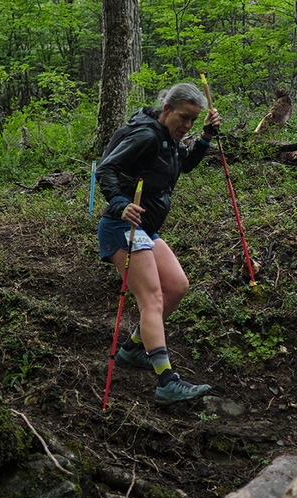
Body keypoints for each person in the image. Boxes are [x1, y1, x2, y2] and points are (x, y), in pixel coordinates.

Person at [96, 82, 220, 404]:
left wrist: (205, 137)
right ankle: (166, 381)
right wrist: (121, 202)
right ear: (167, 110)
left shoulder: (168, 137)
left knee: (177, 286)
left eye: (194, 119)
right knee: (151, 298)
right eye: (184, 117)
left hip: (146, 229)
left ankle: (134, 349)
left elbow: (184, 165)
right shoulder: (147, 135)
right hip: (121, 227)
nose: (187, 125)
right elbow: (107, 168)